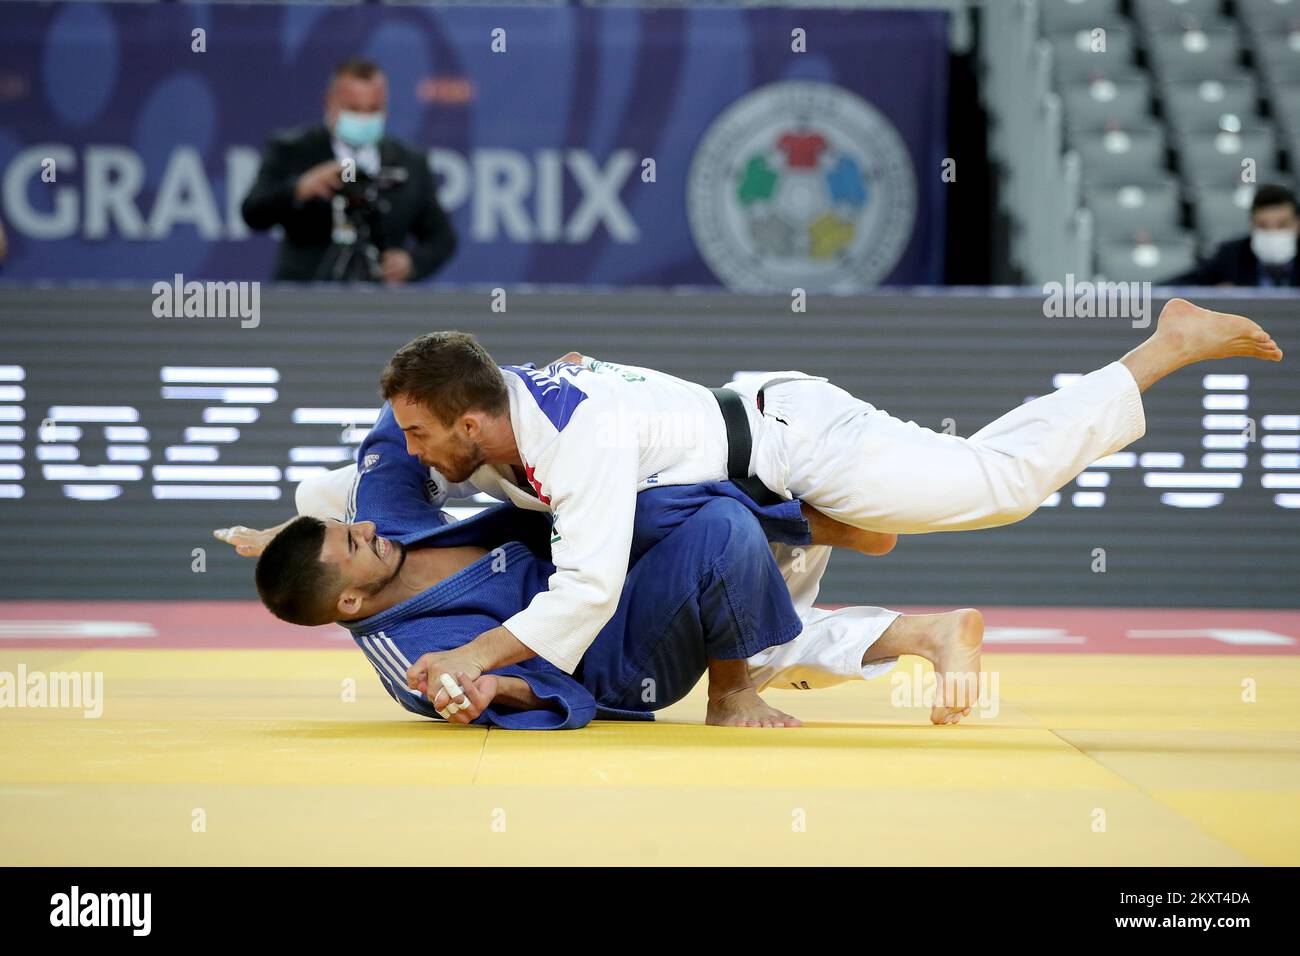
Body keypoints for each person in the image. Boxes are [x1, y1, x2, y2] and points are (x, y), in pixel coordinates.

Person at [369, 298, 1282, 726]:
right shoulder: (505, 415)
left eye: (419, 433)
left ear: (473, 418)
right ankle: (897, 612)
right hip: (752, 474)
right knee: (766, 640)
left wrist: (470, 654)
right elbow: (364, 484)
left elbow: (588, 591)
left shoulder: (577, 441)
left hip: (801, 444)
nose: (411, 451)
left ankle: (1162, 348)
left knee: (997, 484)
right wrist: (287, 529)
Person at [219, 403, 982, 728]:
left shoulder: (390, 525)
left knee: (647, 487)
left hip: (602, 572)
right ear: (351, 604)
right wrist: (495, 688)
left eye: (348, 524)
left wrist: (524, 387)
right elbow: (523, 692)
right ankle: (733, 686)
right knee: (719, 529)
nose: (366, 529)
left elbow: (394, 426)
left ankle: (810, 525)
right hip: (618, 657)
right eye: (351, 544)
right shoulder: (414, 656)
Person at [240, 57, 456, 284]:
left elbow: (442, 238)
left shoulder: (410, 162)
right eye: (354, 109)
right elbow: (253, 211)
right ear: (329, 103)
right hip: (305, 299)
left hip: (378, 305)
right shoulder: (293, 150)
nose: (364, 118)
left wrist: (411, 263)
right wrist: (300, 188)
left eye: (373, 109)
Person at [1169, 184, 1300, 287]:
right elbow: (1182, 285)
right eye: (1262, 226)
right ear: (1251, 225)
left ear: (1297, 224)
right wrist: (1214, 294)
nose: (1272, 233)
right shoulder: (1231, 255)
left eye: (1282, 225)